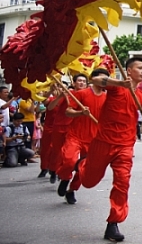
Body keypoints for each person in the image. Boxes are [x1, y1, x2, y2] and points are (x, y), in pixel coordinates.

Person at [67, 59, 142, 242]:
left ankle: (113, 223)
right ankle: (82, 164)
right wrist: (119, 83)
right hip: (103, 142)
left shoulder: (141, 97)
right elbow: (96, 80)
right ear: (129, 70)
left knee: (122, 183)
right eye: (140, 68)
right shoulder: (116, 87)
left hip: (125, 146)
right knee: (89, 182)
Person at [57, 70, 107, 200]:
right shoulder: (81, 94)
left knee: (85, 168)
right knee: (69, 161)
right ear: (94, 79)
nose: (105, 82)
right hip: (75, 135)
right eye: (102, 79)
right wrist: (80, 113)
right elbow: (68, 112)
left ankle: (72, 190)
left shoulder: (107, 98)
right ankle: (65, 178)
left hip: (94, 138)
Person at [38, 82, 69, 182]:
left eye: (64, 87)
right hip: (50, 127)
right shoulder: (51, 99)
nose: (61, 89)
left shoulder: (70, 99)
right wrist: (52, 90)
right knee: (46, 149)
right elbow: (43, 101)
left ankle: (58, 170)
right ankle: (44, 168)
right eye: (60, 86)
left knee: (61, 151)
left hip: (65, 128)